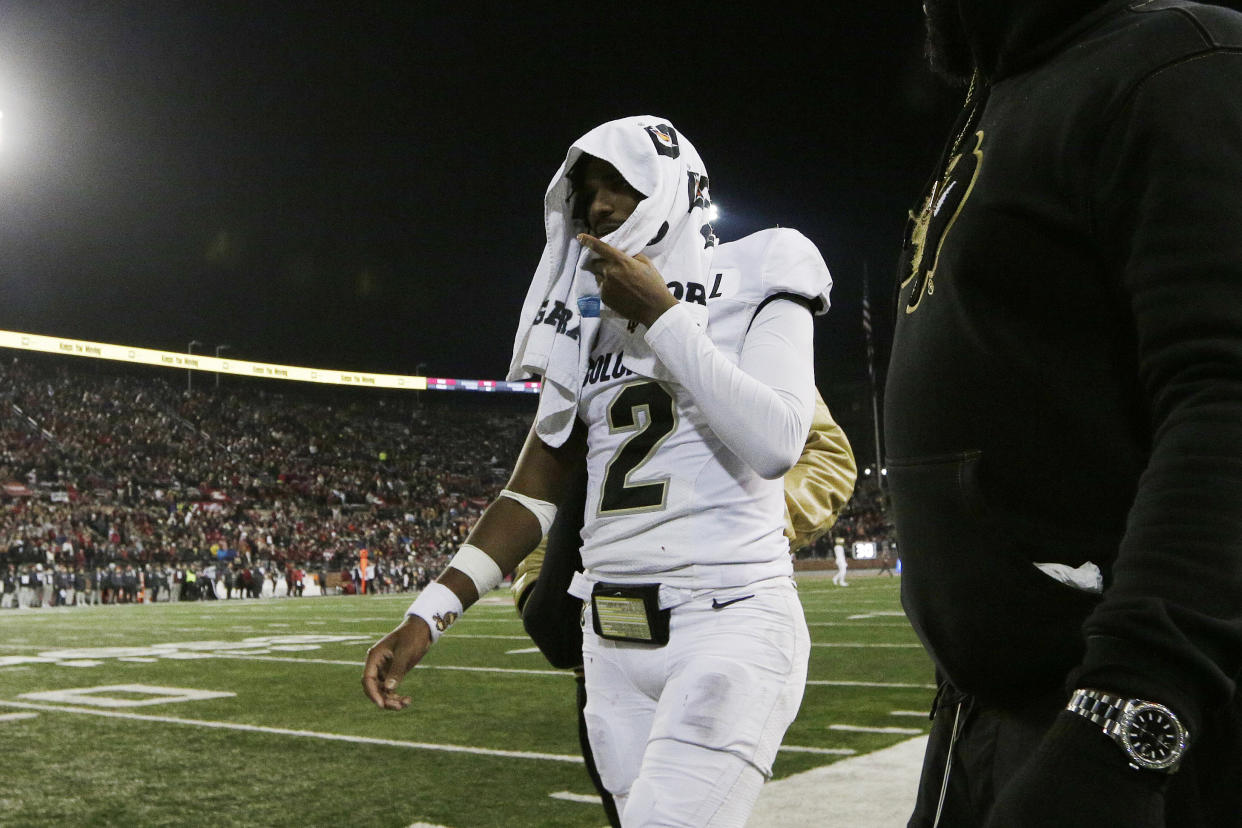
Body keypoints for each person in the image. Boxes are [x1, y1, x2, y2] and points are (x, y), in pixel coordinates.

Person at [364, 116, 834, 825]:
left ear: (676, 185)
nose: (600, 206)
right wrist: (426, 618)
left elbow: (776, 442)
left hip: (726, 619)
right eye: (587, 191)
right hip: (609, 641)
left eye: (619, 183)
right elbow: (531, 489)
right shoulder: (585, 315)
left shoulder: (761, 265)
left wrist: (663, 318)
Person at [888, 3, 1242, 827]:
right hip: (993, 713)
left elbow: (1225, 395)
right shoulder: (1009, 95)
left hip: (1145, 729)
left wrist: (1124, 725)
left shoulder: (1179, 64)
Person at [513, 389, 856, 827]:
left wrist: (732, 533)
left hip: (714, 621)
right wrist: (541, 585)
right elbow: (546, 484)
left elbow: (824, 454)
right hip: (611, 644)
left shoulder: (739, 321)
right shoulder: (584, 341)